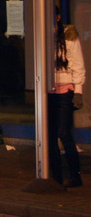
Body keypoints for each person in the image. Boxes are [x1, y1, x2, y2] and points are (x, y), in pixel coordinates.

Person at [48, 13, 86, 187]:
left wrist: (78, 91)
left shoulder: (69, 37)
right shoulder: (45, 36)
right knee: (49, 135)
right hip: (48, 91)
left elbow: (78, 65)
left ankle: (75, 175)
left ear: (57, 17)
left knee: (64, 132)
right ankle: (56, 176)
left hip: (65, 91)